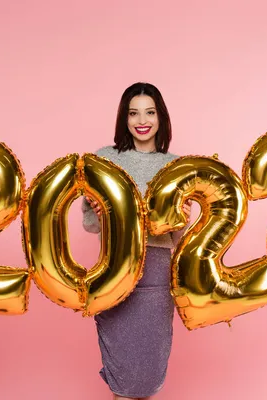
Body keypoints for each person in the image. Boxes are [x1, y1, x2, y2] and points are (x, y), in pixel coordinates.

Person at [81, 82, 191, 400]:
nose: (141, 120)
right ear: (124, 118)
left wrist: (182, 216)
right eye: (133, 112)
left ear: (161, 117)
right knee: (123, 380)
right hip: (116, 271)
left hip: (157, 276)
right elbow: (88, 221)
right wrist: (101, 213)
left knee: (148, 378)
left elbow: (177, 238)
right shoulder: (106, 159)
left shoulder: (175, 165)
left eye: (149, 112)